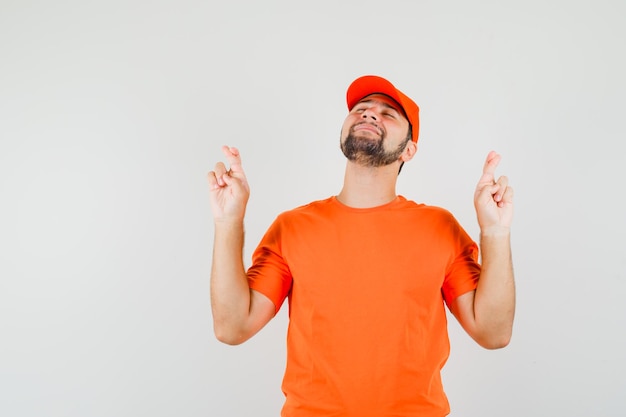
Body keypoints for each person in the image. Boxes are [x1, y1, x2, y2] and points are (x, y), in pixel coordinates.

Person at [207, 75, 515, 417]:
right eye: (361, 109)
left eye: (388, 114)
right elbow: (232, 327)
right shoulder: (292, 228)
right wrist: (228, 221)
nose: (369, 114)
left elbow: (493, 332)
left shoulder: (440, 228)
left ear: (409, 150)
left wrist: (495, 232)